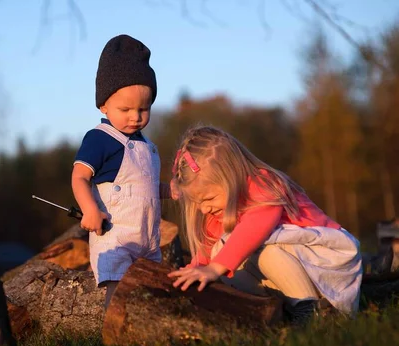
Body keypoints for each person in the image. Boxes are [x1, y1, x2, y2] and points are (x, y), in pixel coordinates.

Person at [167, 125, 363, 320]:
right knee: (222, 251)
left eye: (209, 199)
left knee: (258, 248)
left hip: (327, 258)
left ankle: (308, 308)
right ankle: (280, 308)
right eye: (198, 202)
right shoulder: (217, 212)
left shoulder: (264, 184)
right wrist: (197, 270)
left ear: (231, 178)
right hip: (296, 266)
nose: (203, 209)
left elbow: (255, 228)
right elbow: (207, 256)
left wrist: (215, 267)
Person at [71, 34, 170, 307]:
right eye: (125, 108)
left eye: (143, 109)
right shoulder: (100, 138)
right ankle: (113, 340)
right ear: (103, 104)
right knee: (118, 293)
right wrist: (89, 209)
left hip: (148, 239)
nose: (135, 116)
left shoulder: (148, 146)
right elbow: (79, 177)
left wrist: (173, 191)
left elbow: (148, 188)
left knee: (150, 294)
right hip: (115, 237)